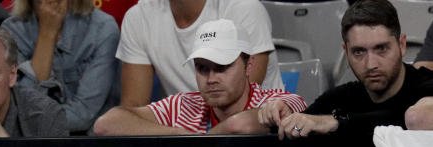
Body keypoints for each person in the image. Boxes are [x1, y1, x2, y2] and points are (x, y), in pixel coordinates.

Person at [261, 0, 433, 139]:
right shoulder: (338, 100)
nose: (371, 63)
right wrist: (284, 119)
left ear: (402, 45)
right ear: (346, 52)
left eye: (381, 49)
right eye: (359, 52)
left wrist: (334, 122)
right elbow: (304, 123)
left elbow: (404, 118)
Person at [94, 19, 306, 135]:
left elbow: (240, 126)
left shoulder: (281, 99)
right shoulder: (183, 104)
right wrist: (179, 135)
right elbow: (105, 124)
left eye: (222, 68)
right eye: (202, 68)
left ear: (248, 66)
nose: (211, 78)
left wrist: (198, 145)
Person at [115, 0, 282, 108]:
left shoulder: (244, 7)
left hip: (258, 132)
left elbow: (239, 101)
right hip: (186, 135)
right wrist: (181, 135)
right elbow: (132, 107)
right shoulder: (137, 16)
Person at [2, 0, 120, 133]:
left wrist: (29, 120)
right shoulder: (12, 30)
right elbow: (23, 103)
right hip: (30, 140)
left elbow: (83, 114)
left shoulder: (103, 29)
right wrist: (46, 35)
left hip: (89, 143)